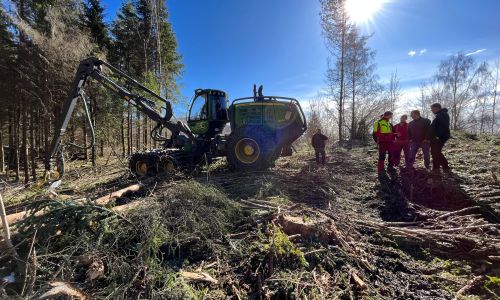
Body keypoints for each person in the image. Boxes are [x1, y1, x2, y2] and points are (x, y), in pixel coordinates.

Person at [430, 103, 451, 173]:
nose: (431, 110)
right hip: (439, 136)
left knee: (436, 152)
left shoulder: (442, 114)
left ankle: (445, 167)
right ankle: (436, 167)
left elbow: (444, 126)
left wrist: (437, 136)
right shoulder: (440, 114)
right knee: (435, 151)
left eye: (432, 108)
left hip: (441, 137)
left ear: (437, 108)